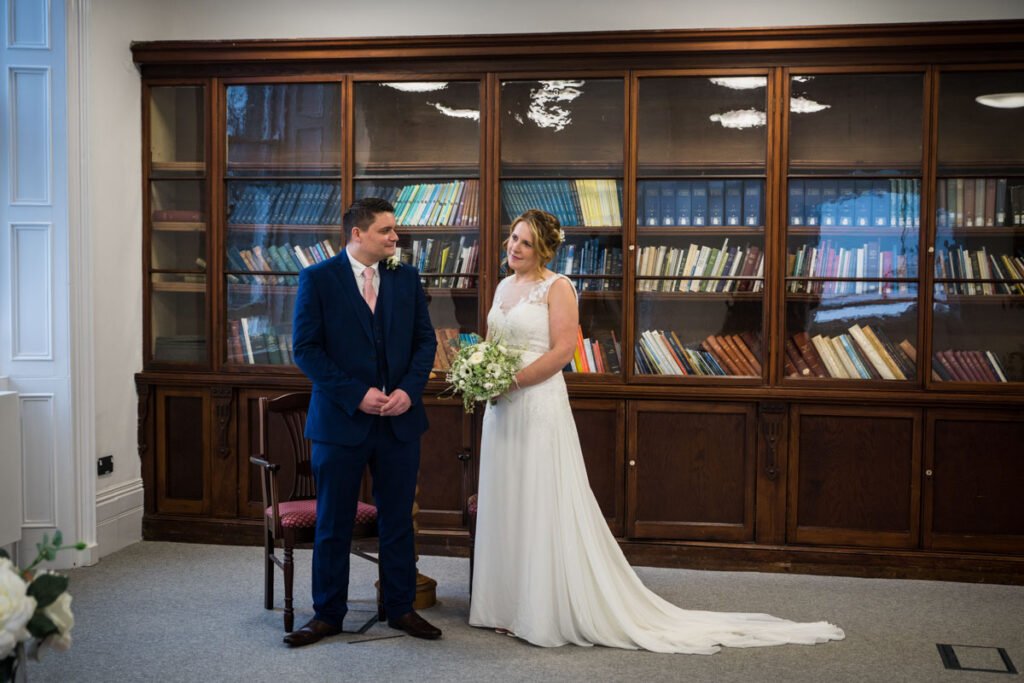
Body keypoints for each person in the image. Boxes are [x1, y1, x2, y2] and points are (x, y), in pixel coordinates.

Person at [468, 208, 845, 654]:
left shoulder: (558, 287)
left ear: (544, 249)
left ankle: (539, 606)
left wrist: (511, 381)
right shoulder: (503, 285)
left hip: (535, 404)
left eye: (526, 242)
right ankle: (505, 605)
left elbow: (562, 351)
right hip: (501, 409)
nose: (514, 247)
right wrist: (483, 378)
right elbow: (493, 344)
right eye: (512, 238)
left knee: (538, 498)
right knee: (507, 496)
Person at [286, 197, 441, 646]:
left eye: (395, 230)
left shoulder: (406, 278)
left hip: (399, 423)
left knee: (398, 521)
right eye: (386, 231)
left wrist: (407, 394)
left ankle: (401, 609)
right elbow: (306, 349)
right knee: (333, 522)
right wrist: (358, 395)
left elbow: (424, 342)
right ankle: (327, 615)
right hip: (339, 424)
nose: (396, 237)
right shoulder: (317, 279)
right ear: (358, 233)